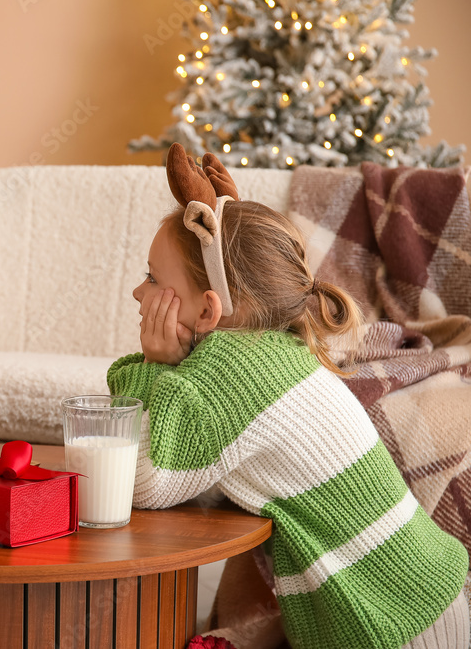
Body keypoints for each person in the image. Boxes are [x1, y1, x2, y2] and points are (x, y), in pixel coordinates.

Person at [106, 144, 470, 649]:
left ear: (210, 311)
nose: (138, 294)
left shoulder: (235, 369)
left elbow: (144, 478)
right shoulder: (266, 350)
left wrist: (151, 364)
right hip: (418, 595)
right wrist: (158, 369)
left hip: (391, 623)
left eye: (151, 278)